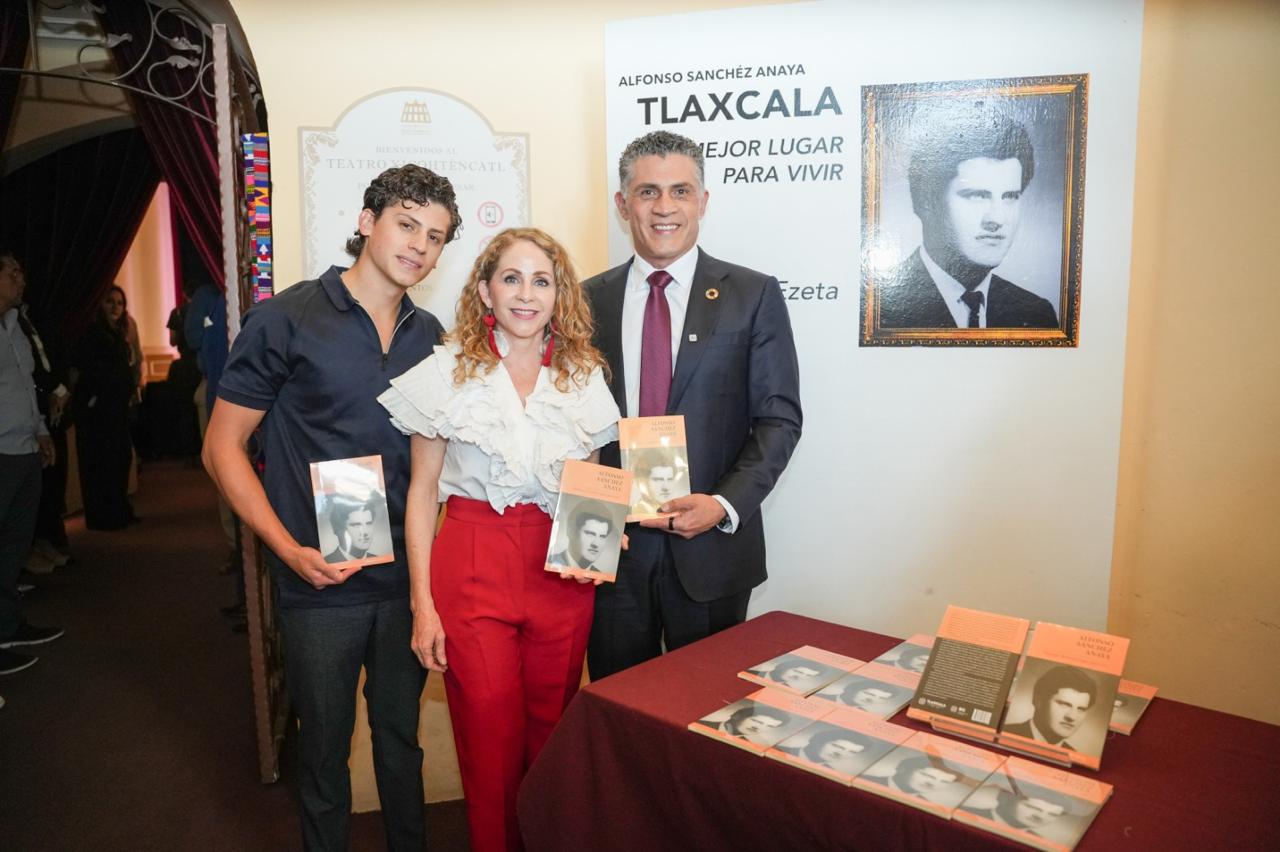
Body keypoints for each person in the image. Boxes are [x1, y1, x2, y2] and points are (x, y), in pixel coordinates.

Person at [203, 164, 460, 851]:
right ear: (367, 222)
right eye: (406, 224)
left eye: (435, 236)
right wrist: (286, 549)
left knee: (401, 745)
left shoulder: (431, 336)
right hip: (318, 583)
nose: (419, 245)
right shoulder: (286, 319)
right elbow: (221, 448)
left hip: (405, 582)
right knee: (321, 754)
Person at [377, 227, 620, 852]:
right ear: (486, 291)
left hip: (561, 574)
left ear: (559, 294)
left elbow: (591, 482)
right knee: (488, 741)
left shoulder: (583, 374)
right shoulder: (445, 371)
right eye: (511, 278)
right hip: (471, 564)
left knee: (552, 736)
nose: (526, 294)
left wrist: (602, 536)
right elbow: (422, 493)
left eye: (542, 281)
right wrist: (422, 605)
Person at [585, 130, 803, 680]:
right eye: (648, 192)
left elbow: (778, 420)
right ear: (623, 204)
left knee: (710, 708)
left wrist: (723, 505)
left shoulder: (752, 294)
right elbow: (567, 424)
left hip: (711, 551)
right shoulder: (585, 300)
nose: (665, 207)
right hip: (612, 549)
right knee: (617, 707)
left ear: (702, 201)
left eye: (680, 191)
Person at [878, 110, 1058, 330]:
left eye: (1010, 197)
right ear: (927, 201)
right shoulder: (879, 310)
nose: (997, 219)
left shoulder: (1038, 315)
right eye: (977, 196)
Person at [0, 247, 64, 679]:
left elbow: (26, 385)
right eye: (13, 273)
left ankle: (8, 627)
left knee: (13, 547)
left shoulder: (17, 324)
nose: (21, 280)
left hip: (24, 450)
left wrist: (41, 430)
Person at [71, 285, 138, 530]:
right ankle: (105, 515)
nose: (115, 307)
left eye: (119, 303)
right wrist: (96, 397)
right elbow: (88, 371)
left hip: (117, 409)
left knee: (120, 458)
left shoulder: (118, 333)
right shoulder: (92, 334)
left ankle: (119, 509)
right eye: (110, 301)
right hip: (99, 411)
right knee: (103, 462)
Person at [1003, 664, 1098, 749]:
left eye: (1081, 709)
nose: (1072, 717)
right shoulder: (1004, 734)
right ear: (1038, 701)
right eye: (1064, 704)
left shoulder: (1073, 756)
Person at [546, 502, 615, 572]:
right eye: (590, 534)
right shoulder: (550, 563)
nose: (596, 544)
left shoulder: (599, 574)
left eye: (602, 536)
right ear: (571, 532)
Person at [323, 494, 386, 563]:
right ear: (338, 529)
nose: (365, 532)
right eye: (356, 525)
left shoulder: (379, 560)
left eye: (368, 523)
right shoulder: (327, 563)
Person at [800, 726, 873, 776]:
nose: (840, 754)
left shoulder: (831, 773)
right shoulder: (792, 752)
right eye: (837, 746)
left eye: (852, 752)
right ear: (820, 741)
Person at [712, 702, 790, 746]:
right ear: (737, 716)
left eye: (770, 726)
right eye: (757, 721)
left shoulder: (748, 745)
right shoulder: (706, 725)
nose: (758, 727)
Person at [629, 450, 682, 515]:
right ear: (643, 481)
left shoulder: (677, 510)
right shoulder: (638, 512)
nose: (666, 487)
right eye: (658, 480)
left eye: (669, 479)